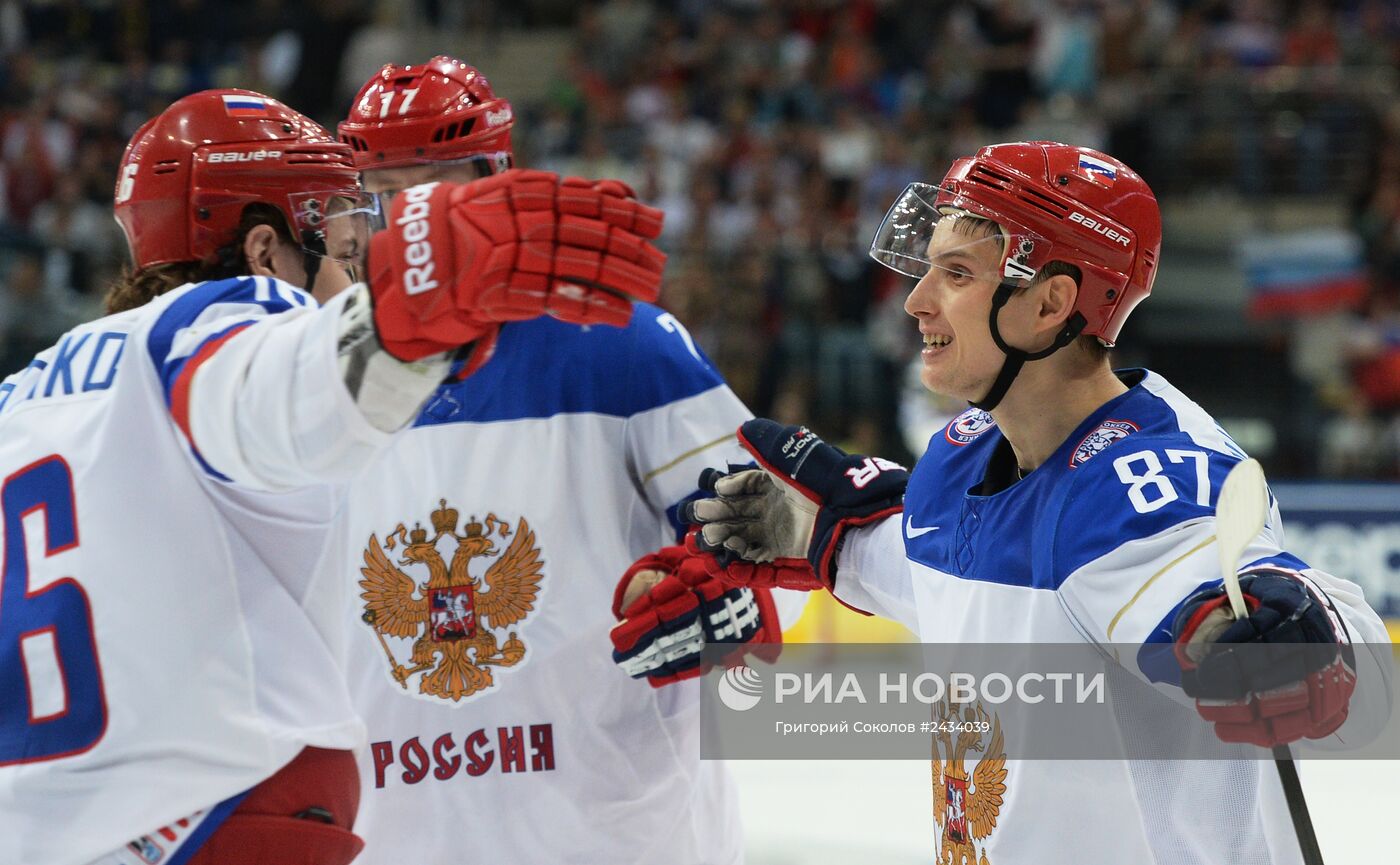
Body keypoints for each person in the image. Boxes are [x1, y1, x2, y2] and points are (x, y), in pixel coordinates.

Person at [638, 141, 1392, 863]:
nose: (917, 301)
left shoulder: (1147, 482)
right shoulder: (965, 449)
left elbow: (1328, 670)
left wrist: (1300, 649)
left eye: (957, 274)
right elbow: (956, 582)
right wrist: (829, 538)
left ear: (1050, 303)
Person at [0, 88, 666, 865]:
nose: (354, 277)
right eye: (348, 254)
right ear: (262, 251)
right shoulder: (217, 322)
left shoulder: (21, 395)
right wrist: (412, 313)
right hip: (211, 815)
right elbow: (284, 392)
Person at [329, 56, 803, 863]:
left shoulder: (618, 342)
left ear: (496, 185)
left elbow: (784, 530)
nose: (415, 227)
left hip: (613, 836)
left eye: (437, 192)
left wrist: (733, 597)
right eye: (386, 199)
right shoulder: (315, 378)